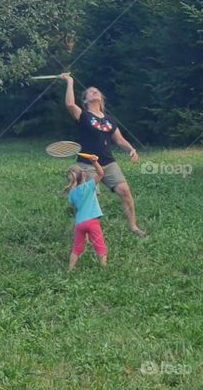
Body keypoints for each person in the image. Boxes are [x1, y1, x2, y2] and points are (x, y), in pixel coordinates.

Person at [61, 73, 147, 237]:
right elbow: (70, 104)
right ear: (85, 101)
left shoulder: (109, 119)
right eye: (90, 92)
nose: (94, 92)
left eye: (96, 91)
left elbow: (119, 139)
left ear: (101, 98)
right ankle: (83, 230)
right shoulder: (84, 115)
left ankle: (133, 227)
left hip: (108, 162)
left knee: (125, 191)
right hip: (87, 163)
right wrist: (70, 81)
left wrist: (131, 149)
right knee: (90, 199)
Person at [64, 159, 107, 270]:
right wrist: (94, 162)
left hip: (79, 223)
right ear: (83, 175)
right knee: (100, 246)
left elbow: (75, 210)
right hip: (92, 221)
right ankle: (104, 269)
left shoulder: (72, 193)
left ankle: (70, 269)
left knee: (77, 248)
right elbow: (101, 173)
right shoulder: (89, 186)